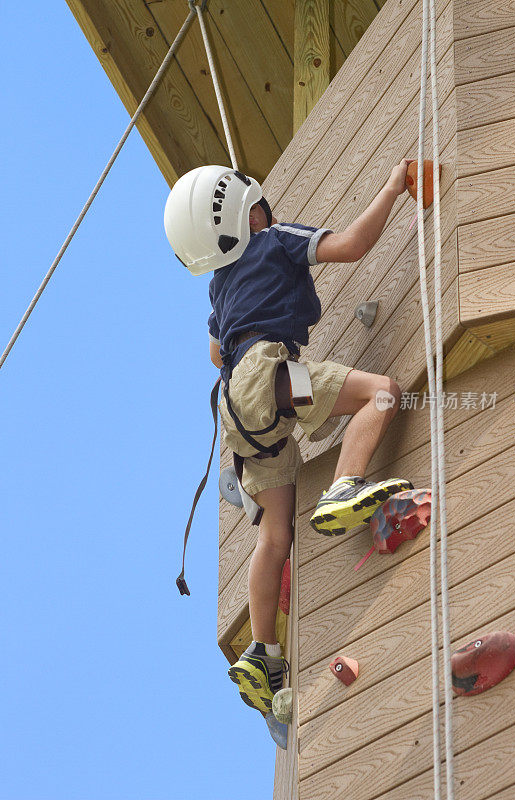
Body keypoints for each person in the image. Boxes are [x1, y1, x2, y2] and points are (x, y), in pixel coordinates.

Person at [164, 159, 413, 721]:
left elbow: (213, 353)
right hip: (268, 376)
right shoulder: (273, 238)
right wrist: (392, 186)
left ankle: (263, 652)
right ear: (251, 212)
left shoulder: (218, 284)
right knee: (382, 392)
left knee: (274, 536)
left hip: (233, 410)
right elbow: (350, 245)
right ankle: (345, 486)